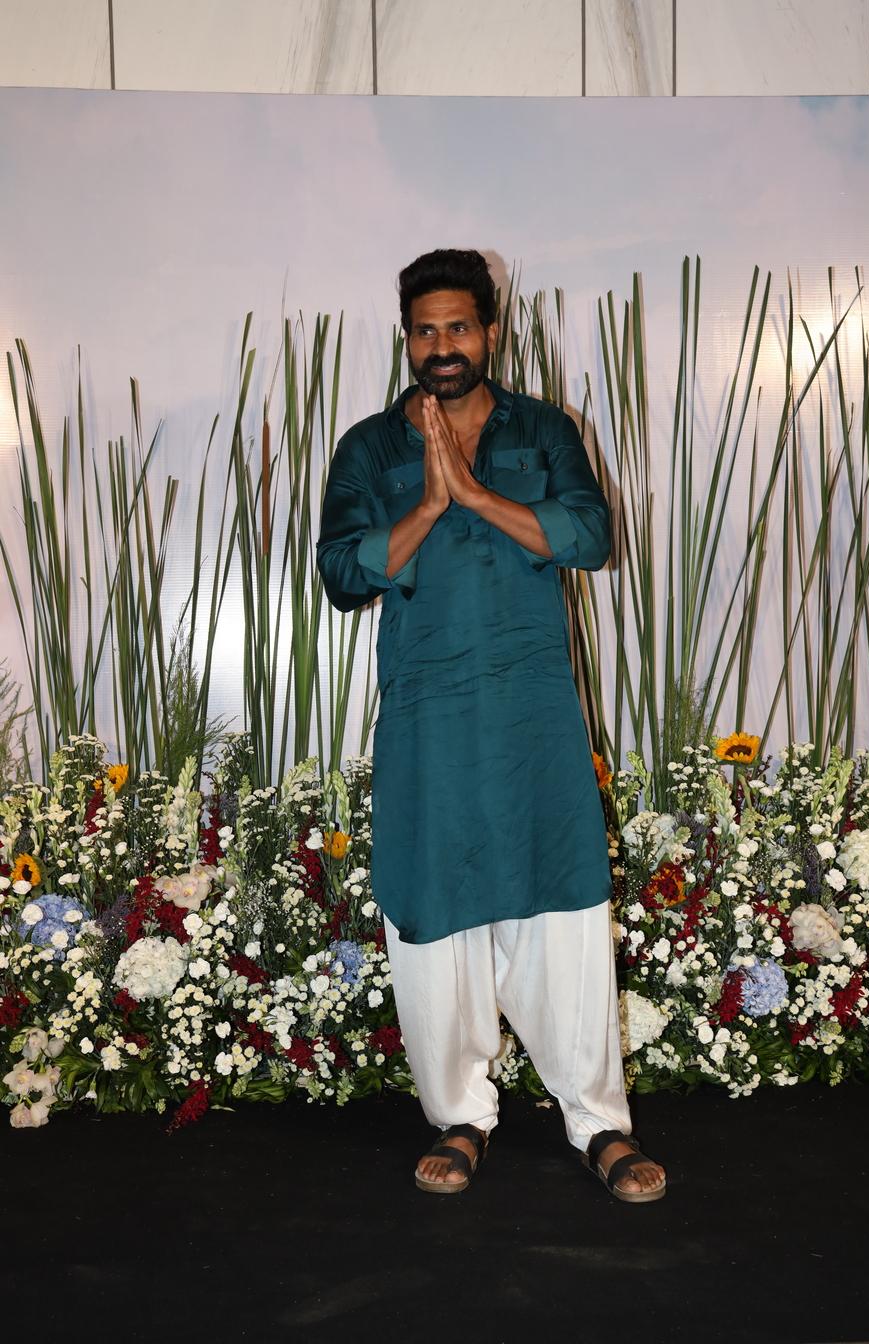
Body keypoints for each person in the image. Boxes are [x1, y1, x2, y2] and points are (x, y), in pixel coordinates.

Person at [316, 248, 666, 1202]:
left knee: (564, 910)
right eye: (425, 330)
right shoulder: (370, 449)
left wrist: (475, 495)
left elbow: (590, 537)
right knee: (435, 908)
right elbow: (341, 573)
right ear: (407, 339)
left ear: (490, 332)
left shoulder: (543, 430)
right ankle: (460, 1117)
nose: (443, 346)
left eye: (459, 327)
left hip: (533, 713)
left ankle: (598, 1122)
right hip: (429, 716)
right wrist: (430, 504)